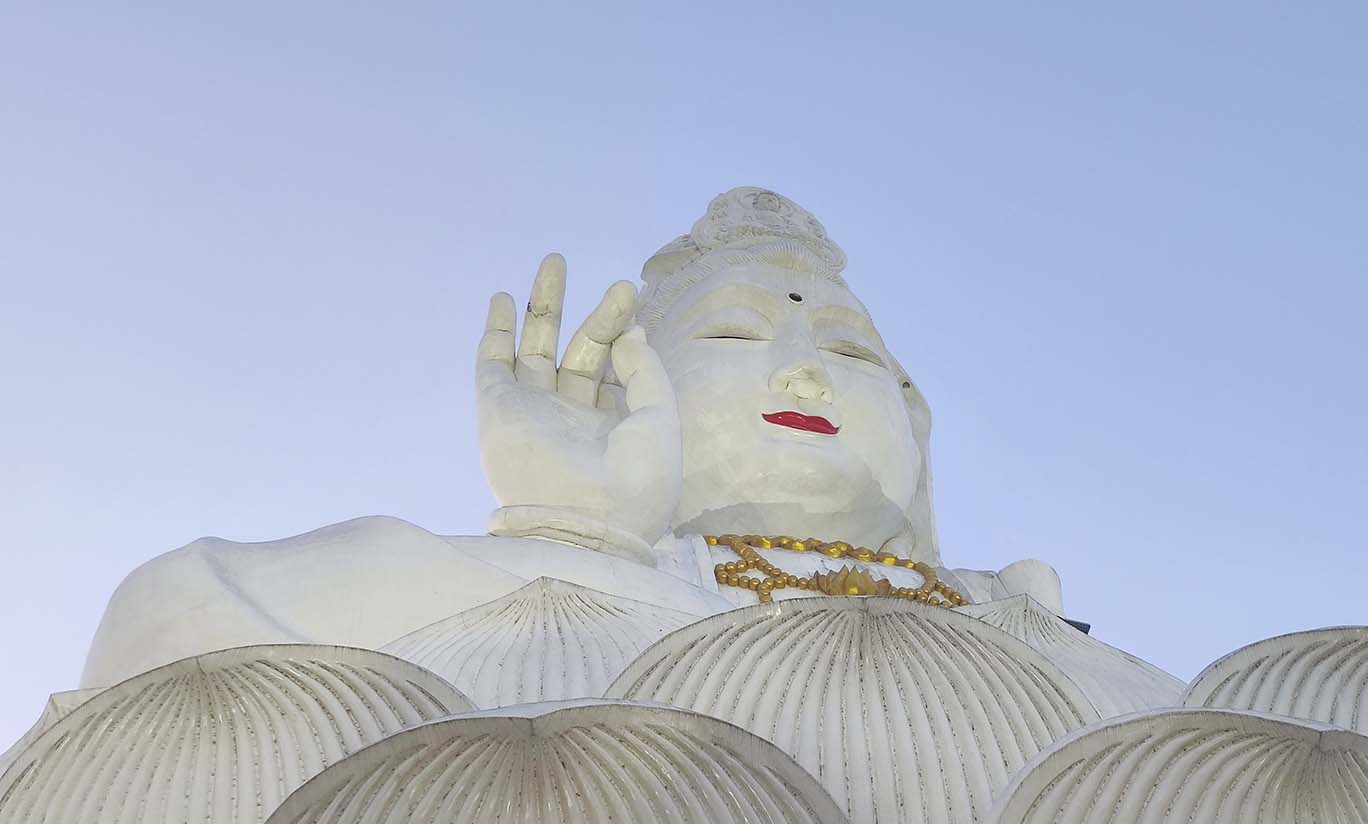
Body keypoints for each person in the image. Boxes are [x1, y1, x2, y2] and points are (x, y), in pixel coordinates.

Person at [81, 187, 1063, 690]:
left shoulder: (1029, 618)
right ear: (632, 391)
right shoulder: (614, 583)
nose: (805, 370)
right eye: (732, 334)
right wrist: (572, 537)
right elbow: (173, 615)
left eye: (848, 350)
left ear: (914, 414)